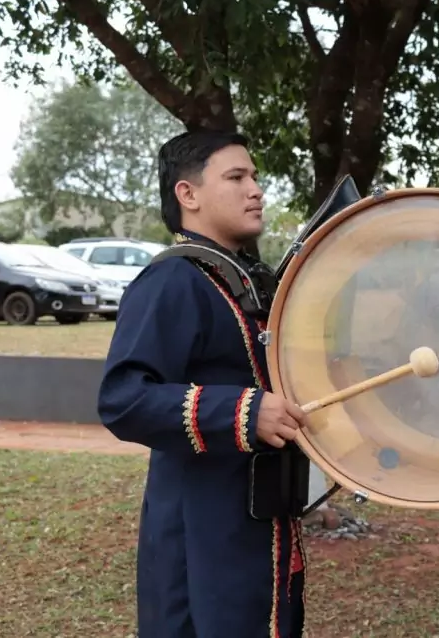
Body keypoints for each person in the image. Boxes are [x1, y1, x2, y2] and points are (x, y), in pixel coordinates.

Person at [98, 130, 310, 637]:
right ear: (187, 195)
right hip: (203, 531)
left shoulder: (239, 281)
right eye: (236, 177)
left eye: (255, 177)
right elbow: (123, 398)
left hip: (260, 523)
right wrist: (243, 411)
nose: (255, 189)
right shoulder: (172, 281)